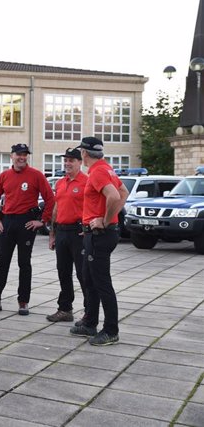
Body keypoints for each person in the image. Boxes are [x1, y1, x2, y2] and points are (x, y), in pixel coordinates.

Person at [0, 143, 54, 315]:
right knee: (2, 263)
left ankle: (23, 301)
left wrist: (42, 220)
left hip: (27, 223)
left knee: (24, 263)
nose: (22, 157)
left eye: (25, 154)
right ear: (11, 156)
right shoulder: (4, 176)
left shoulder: (36, 175)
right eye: (18, 154)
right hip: (8, 222)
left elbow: (50, 199)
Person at [70, 137, 128, 346]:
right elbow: (124, 192)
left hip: (99, 235)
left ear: (84, 153)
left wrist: (104, 220)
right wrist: (108, 218)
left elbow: (113, 196)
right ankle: (90, 322)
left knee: (101, 282)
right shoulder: (107, 169)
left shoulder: (97, 172)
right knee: (88, 277)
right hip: (93, 234)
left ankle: (111, 330)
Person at [47, 147, 88, 322]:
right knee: (63, 272)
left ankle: (89, 311)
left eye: (71, 160)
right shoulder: (60, 182)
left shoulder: (87, 182)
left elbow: (93, 206)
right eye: (66, 160)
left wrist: (88, 229)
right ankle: (65, 309)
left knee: (83, 273)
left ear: (80, 162)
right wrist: (52, 232)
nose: (67, 163)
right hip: (62, 231)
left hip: (78, 233)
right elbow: (57, 208)